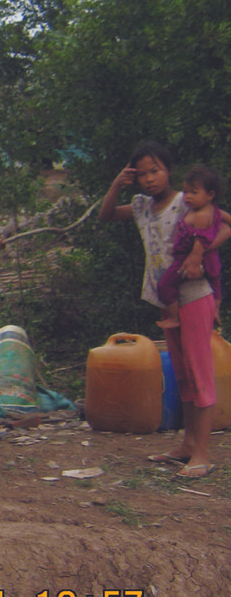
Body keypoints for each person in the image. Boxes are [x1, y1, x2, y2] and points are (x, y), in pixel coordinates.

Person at [99, 141, 228, 478]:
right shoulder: (142, 206)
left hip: (195, 296)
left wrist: (200, 253)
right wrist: (116, 185)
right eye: (141, 174)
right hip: (166, 299)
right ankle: (186, 445)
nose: (149, 179)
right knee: (183, 375)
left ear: (169, 170)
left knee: (200, 375)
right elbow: (106, 215)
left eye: (154, 171)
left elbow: (224, 221)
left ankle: (202, 453)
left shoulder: (188, 201)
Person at [154, 164, 223, 331]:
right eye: (185, 192)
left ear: (210, 195)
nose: (188, 197)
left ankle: (174, 317)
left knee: (164, 285)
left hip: (186, 259)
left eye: (194, 192)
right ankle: (216, 311)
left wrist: (193, 261)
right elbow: (226, 218)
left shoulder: (200, 215)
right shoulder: (212, 210)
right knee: (216, 285)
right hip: (211, 259)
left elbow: (201, 242)